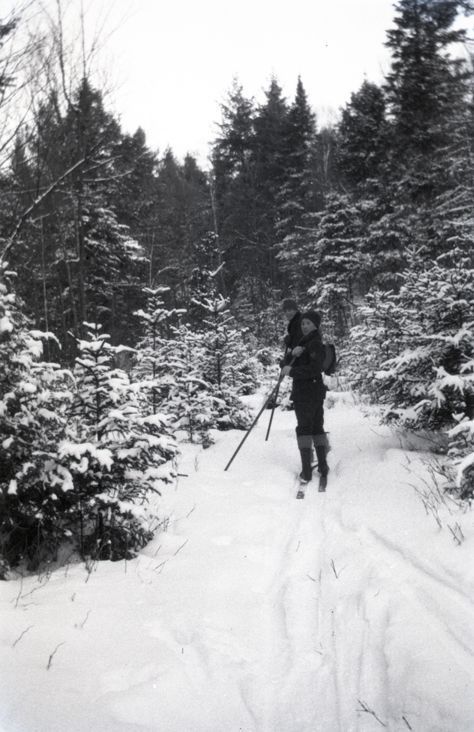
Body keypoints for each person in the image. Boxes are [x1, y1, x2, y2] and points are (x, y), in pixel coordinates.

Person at [281, 310, 329, 484]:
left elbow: (315, 369)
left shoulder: (314, 343)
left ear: (315, 325)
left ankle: (307, 472)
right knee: (316, 428)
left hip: (305, 393)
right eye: (302, 323)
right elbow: (284, 364)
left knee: (304, 429)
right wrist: (292, 354)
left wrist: (292, 371)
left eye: (308, 323)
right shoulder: (305, 342)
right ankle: (322, 466)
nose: (304, 326)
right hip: (314, 392)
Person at [281, 298, 303, 366]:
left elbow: (299, 345)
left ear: (295, 310)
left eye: (290, 310)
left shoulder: (300, 321)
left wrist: (287, 360)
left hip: (304, 361)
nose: (287, 313)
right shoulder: (294, 322)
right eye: (285, 311)